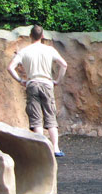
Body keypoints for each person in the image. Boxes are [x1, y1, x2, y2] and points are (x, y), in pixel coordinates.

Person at [7, 25, 68, 157]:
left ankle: (41, 149)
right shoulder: (49, 49)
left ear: (30, 36)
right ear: (42, 36)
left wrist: (20, 80)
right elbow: (64, 64)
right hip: (47, 83)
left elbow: (10, 67)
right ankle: (56, 149)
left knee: (36, 119)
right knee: (50, 116)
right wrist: (57, 80)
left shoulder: (24, 51)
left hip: (32, 83)